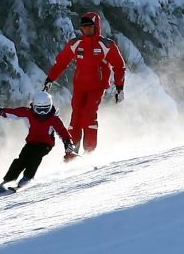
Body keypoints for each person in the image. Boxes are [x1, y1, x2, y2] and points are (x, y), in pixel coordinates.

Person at [44, 11, 126, 154]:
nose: (87, 30)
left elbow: (119, 66)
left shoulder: (106, 45)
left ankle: (89, 150)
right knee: (75, 118)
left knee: (89, 115)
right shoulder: (77, 44)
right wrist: (50, 79)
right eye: (84, 27)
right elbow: (61, 62)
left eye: (90, 27)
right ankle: (71, 151)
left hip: (97, 87)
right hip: (80, 87)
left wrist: (119, 88)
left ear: (96, 27)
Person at [0, 91, 77, 194]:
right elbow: (13, 113)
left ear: (50, 106)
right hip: (31, 142)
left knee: (35, 156)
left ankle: (27, 178)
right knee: (21, 159)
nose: (42, 113)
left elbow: (63, 132)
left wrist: (68, 142)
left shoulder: (54, 119)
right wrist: (0, 110)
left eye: (45, 109)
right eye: (39, 110)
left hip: (46, 144)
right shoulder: (28, 113)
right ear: (34, 107)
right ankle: (8, 180)